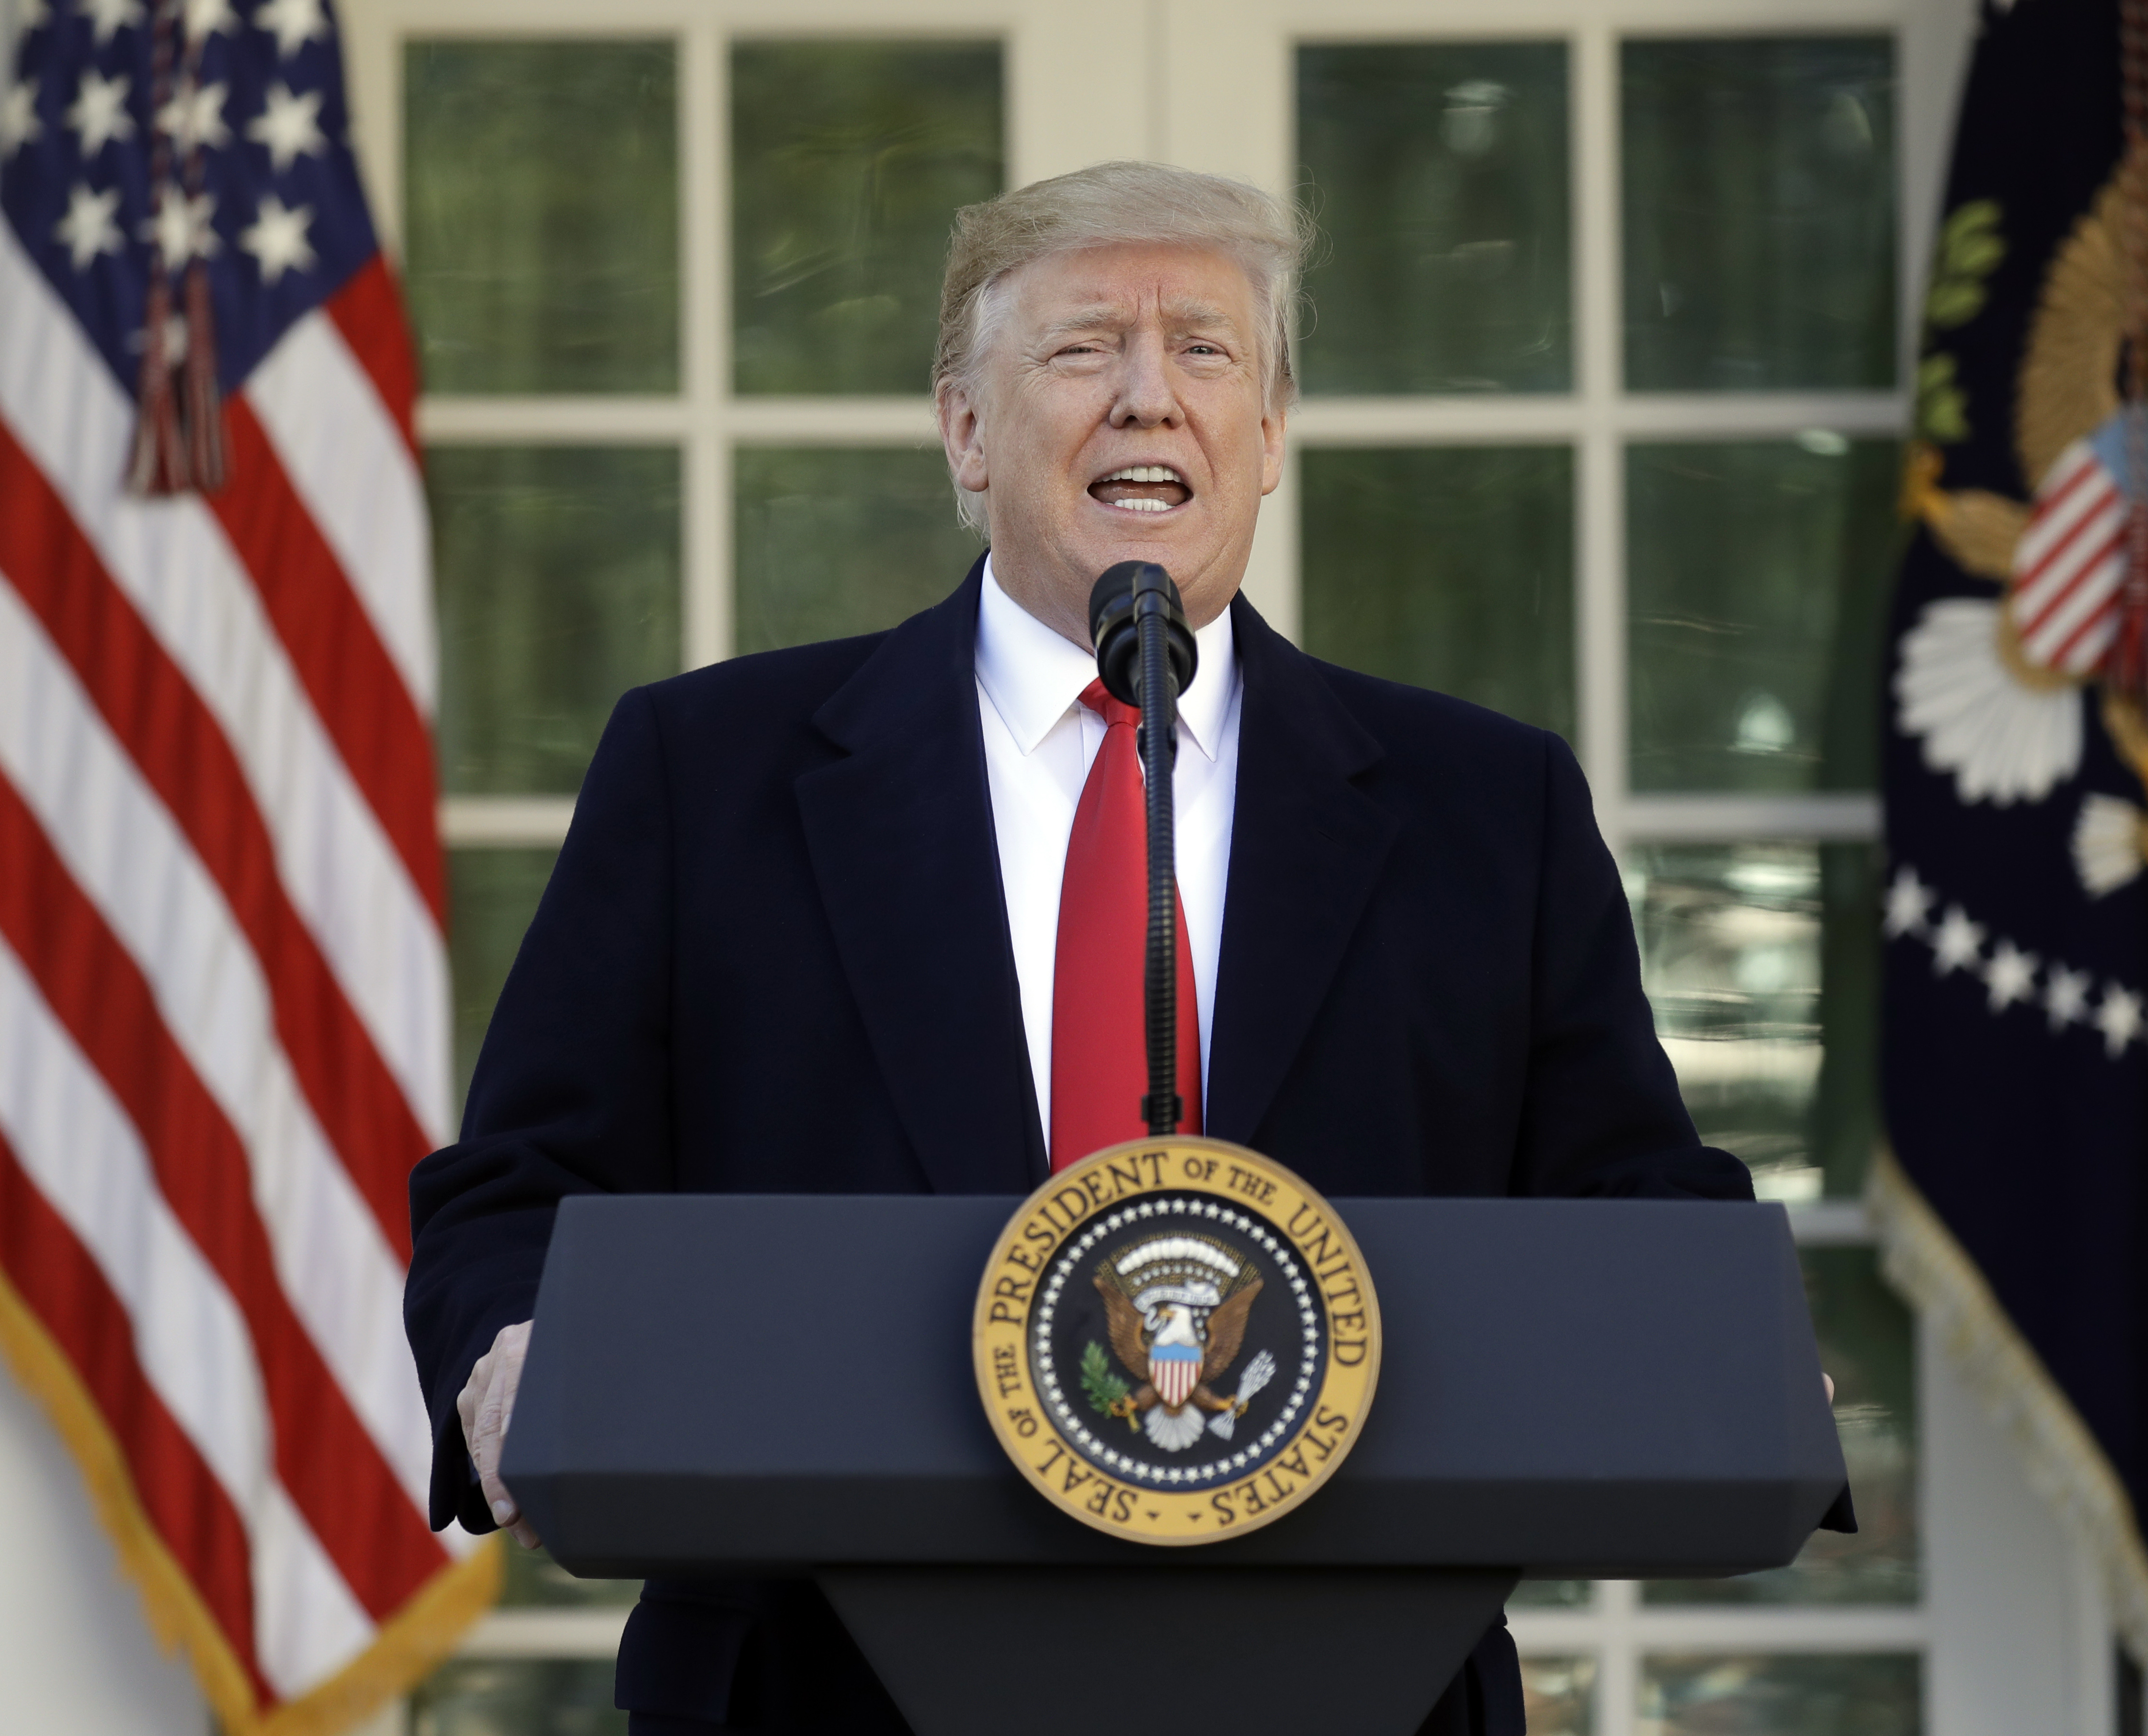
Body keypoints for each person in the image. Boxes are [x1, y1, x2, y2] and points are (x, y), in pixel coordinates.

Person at [405, 160, 1769, 1736]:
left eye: (1203, 350)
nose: (1147, 396)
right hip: (817, 1692)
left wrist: (1721, 1333)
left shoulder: (1485, 804)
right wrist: (518, 1346)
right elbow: (518, 1186)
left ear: (1269, 434)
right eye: (1080, 349)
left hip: (1352, 1693)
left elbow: (1625, 1196)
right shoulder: (708, 772)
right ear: (965, 433)